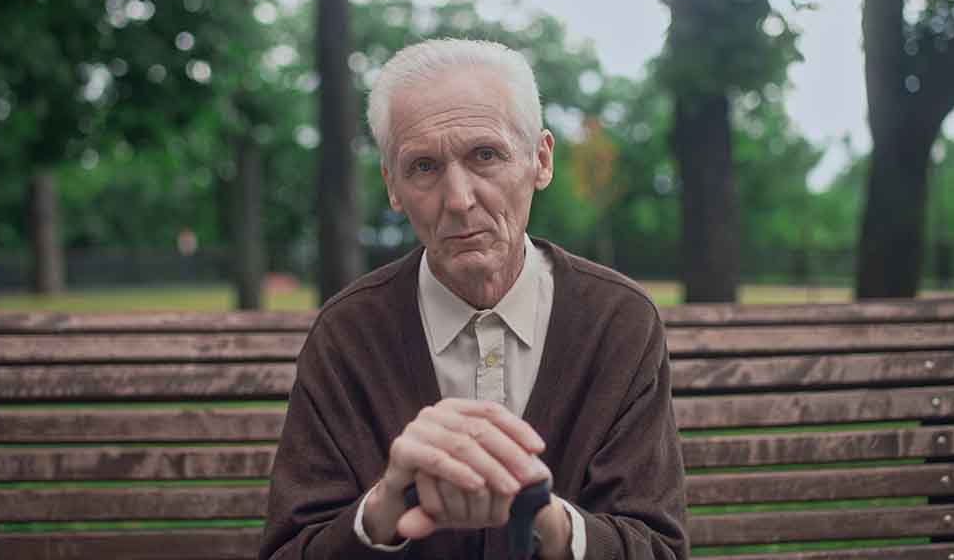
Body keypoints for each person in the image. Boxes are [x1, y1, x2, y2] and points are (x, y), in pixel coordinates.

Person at [259, 38, 688, 560]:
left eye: (485, 155)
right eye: (424, 167)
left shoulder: (618, 322)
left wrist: (546, 520)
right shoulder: (347, 334)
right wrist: (382, 511)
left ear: (541, 160)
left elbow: (657, 548)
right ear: (392, 186)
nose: (459, 200)